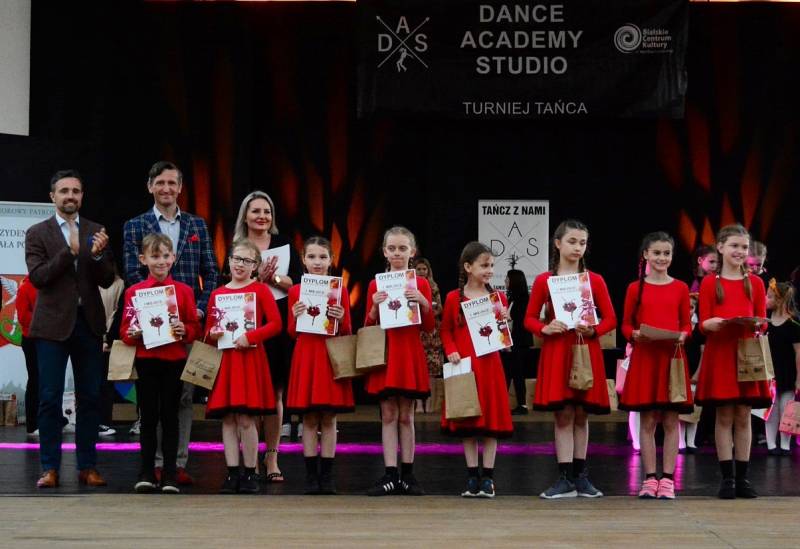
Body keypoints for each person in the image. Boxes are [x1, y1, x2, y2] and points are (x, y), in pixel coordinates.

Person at [123, 160, 219, 485]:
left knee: (183, 398)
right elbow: (132, 273)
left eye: (172, 183)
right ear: (150, 186)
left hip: (185, 327)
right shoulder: (135, 225)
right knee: (150, 406)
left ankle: (176, 464)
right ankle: (154, 464)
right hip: (149, 331)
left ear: (180, 188)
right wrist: (148, 314)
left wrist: (199, 311)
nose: (166, 188)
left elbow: (211, 272)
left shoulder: (197, 224)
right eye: (160, 183)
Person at [25, 169, 115, 489]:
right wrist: (71, 252)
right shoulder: (38, 232)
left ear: (82, 196)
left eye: (76, 191)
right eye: (64, 191)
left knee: (90, 397)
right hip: (51, 327)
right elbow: (39, 277)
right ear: (53, 196)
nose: (70, 196)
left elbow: (108, 279)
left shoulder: (96, 230)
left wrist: (99, 256)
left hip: (87, 323)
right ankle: (50, 467)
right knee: (49, 398)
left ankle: (87, 467)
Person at [524, 219, 615, 499]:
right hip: (557, 350)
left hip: (585, 349)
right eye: (572, 241)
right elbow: (528, 318)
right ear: (557, 243)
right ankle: (564, 478)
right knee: (563, 414)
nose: (578, 247)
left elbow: (611, 318)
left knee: (581, 413)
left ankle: (581, 476)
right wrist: (545, 327)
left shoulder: (594, 280)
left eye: (582, 243)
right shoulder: (544, 280)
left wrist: (594, 329)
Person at [695, 224, 771, 499]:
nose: (740, 251)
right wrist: (712, 323)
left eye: (744, 247)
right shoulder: (709, 283)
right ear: (720, 247)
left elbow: (763, 321)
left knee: (743, 415)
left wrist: (756, 324)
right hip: (721, 354)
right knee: (724, 415)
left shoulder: (756, 283)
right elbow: (703, 323)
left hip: (746, 354)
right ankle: (727, 477)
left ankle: (743, 477)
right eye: (734, 246)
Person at [231, 190, 302, 483]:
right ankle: (249, 459)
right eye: (256, 211)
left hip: (278, 323)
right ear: (245, 216)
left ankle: (271, 456)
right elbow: (228, 284)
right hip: (245, 326)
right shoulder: (236, 246)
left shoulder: (284, 244)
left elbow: (297, 285)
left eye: (267, 211)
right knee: (248, 394)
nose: (262, 216)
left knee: (275, 394)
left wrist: (272, 278)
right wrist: (253, 278)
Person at [121, 233, 200, 493]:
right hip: (146, 361)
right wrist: (133, 334)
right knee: (147, 417)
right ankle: (146, 472)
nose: (161, 261)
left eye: (166, 255)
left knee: (170, 417)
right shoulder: (134, 292)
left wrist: (184, 330)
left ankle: (169, 474)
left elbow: (194, 328)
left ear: (173, 257)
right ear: (143, 259)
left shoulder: (184, 291)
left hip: (174, 361)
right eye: (155, 256)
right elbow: (124, 332)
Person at [619, 232, 693, 500]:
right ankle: (650, 478)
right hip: (646, 359)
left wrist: (684, 335)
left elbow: (687, 324)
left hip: (672, 358)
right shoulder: (634, 288)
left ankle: (669, 479)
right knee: (648, 419)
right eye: (657, 253)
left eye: (667, 253)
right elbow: (626, 324)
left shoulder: (681, 288)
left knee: (672, 420)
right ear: (646, 255)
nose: (662, 257)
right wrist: (633, 334)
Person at [206, 239, 281, 494]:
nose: (240, 264)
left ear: (256, 266)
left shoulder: (260, 290)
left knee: (247, 418)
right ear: (228, 260)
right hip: (226, 362)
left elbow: (276, 324)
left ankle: (250, 473)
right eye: (237, 258)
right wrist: (213, 334)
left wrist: (251, 336)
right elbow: (209, 330)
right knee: (228, 419)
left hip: (249, 360)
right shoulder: (217, 293)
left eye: (247, 261)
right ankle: (231, 473)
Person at [364, 226, 435, 496]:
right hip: (385, 355)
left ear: (412, 252)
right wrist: (374, 306)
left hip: (409, 354)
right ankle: (390, 473)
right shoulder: (375, 284)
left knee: (407, 415)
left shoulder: (421, 284)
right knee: (389, 415)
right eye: (392, 248)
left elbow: (428, 327)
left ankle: (408, 474)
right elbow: (368, 326)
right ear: (384, 251)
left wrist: (424, 303)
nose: (397, 253)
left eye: (402, 248)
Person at [440, 242, 513, 498]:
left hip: (490, 367)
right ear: (468, 267)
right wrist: (451, 350)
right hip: (465, 367)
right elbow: (446, 330)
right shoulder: (454, 298)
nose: (489, 270)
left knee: (491, 423)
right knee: (468, 421)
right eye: (484, 265)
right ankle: (472, 476)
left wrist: (505, 328)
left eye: (491, 265)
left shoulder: (498, 298)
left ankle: (488, 478)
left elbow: (504, 338)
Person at [286, 236, 354, 495]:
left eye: (323, 257)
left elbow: (347, 331)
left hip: (330, 356)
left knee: (329, 417)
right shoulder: (295, 291)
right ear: (303, 260)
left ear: (331, 260)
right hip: (306, 355)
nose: (317, 262)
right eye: (312, 257)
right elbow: (291, 332)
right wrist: (295, 316)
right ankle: (310, 476)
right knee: (309, 418)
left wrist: (342, 317)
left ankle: (327, 476)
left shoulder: (340, 290)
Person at [764, 279, 800, 455]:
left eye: (769, 296)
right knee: (771, 410)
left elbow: (799, 352)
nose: (765, 299)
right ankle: (771, 444)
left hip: (787, 372)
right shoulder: (765, 321)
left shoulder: (793, 323)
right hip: (770, 373)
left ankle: (785, 445)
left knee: (787, 408)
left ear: (779, 300)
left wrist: (799, 378)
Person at [98, 266, 125, 437]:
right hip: (91, 338)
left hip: (108, 340)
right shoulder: (88, 280)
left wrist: (107, 337)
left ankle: (103, 421)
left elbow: (117, 312)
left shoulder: (119, 283)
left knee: (107, 382)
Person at [414, 257, 444, 413]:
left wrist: (427, 309)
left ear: (428, 270)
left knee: (432, 370)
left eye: (424, 269)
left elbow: (440, 308)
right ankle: (418, 404)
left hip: (432, 333)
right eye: (418, 269)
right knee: (417, 369)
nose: (421, 272)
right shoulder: (409, 286)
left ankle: (430, 404)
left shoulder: (434, 286)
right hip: (416, 331)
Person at [502, 269, 533, 414]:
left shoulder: (524, 300)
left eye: (507, 279)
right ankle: (503, 403)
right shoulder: (511, 299)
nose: (505, 282)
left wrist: (509, 318)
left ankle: (522, 404)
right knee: (508, 372)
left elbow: (520, 322)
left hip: (519, 342)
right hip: (509, 342)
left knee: (518, 373)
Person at [16, 276, 39, 437]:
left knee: (49, 381)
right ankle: (32, 424)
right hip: (31, 339)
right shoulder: (25, 287)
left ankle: (54, 419)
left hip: (49, 339)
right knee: (35, 379)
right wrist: (45, 320)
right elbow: (23, 317)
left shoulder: (51, 285)